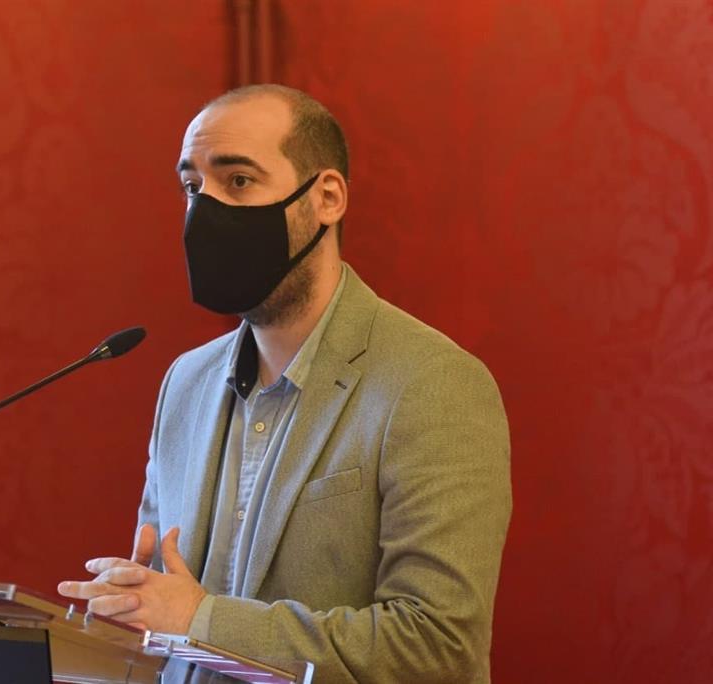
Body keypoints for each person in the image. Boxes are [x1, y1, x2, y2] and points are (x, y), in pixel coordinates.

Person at [58, 84, 512, 683]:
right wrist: (132, 612)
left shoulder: (433, 382)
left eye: (239, 181)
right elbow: (167, 615)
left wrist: (202, 619)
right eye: (192, 187)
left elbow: (437, 646)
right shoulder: (185, 382)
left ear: (326, 198)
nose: (205, 210)